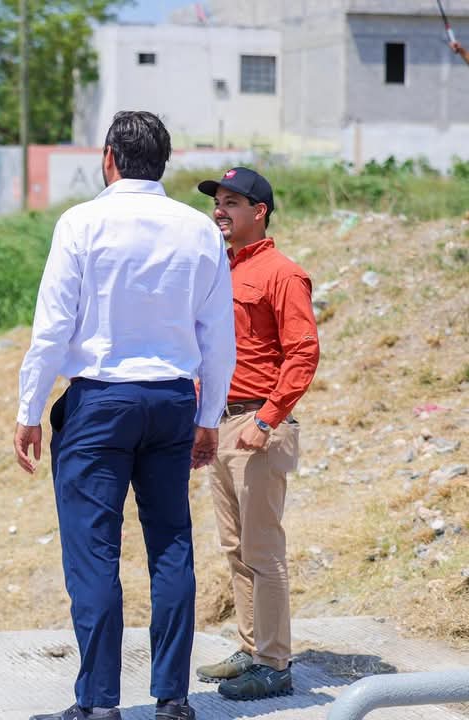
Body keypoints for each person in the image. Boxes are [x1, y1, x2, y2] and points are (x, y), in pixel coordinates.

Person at [14, 110, 236, 720]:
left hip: (100, 401)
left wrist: (30, 408)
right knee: (171, 544)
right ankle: (173, 700)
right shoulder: (200, 230)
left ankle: (98, 703)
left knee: (93, 551)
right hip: (172, 401)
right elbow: (218, 336)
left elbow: (53, 327)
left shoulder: (81, 222)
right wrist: (209, 417)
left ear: (109, 157)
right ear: (163, 162)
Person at [193, 168, 320, 701]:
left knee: (264, 551)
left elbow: (303, 352)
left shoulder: (283, 273)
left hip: (258, 425)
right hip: (221, 423)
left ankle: (275, 664)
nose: (219, 211)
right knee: (236, 548)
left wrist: (267, 420)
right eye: (217, 202)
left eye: (231, 202)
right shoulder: (218, 271)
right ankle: (250, 648)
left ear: (259, 211)